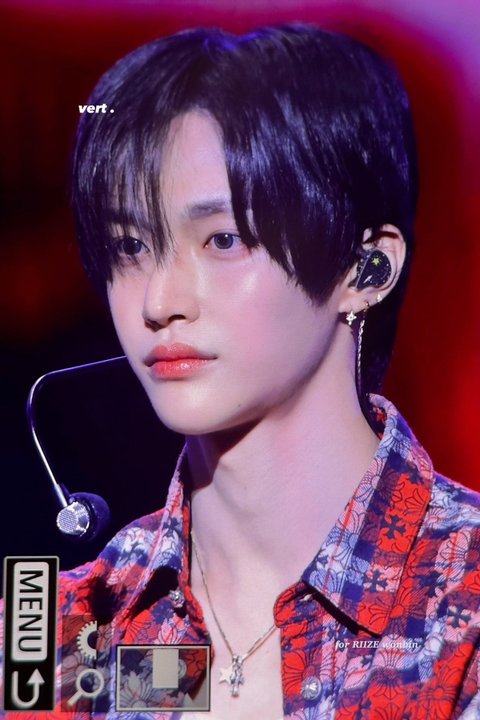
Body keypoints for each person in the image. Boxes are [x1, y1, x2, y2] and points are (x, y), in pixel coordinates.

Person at [2, 23, 480, 720]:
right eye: (130, 247)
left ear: (365, 268)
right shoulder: (62, 634)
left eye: (222, 239)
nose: (159, 303)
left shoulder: (463, 597)